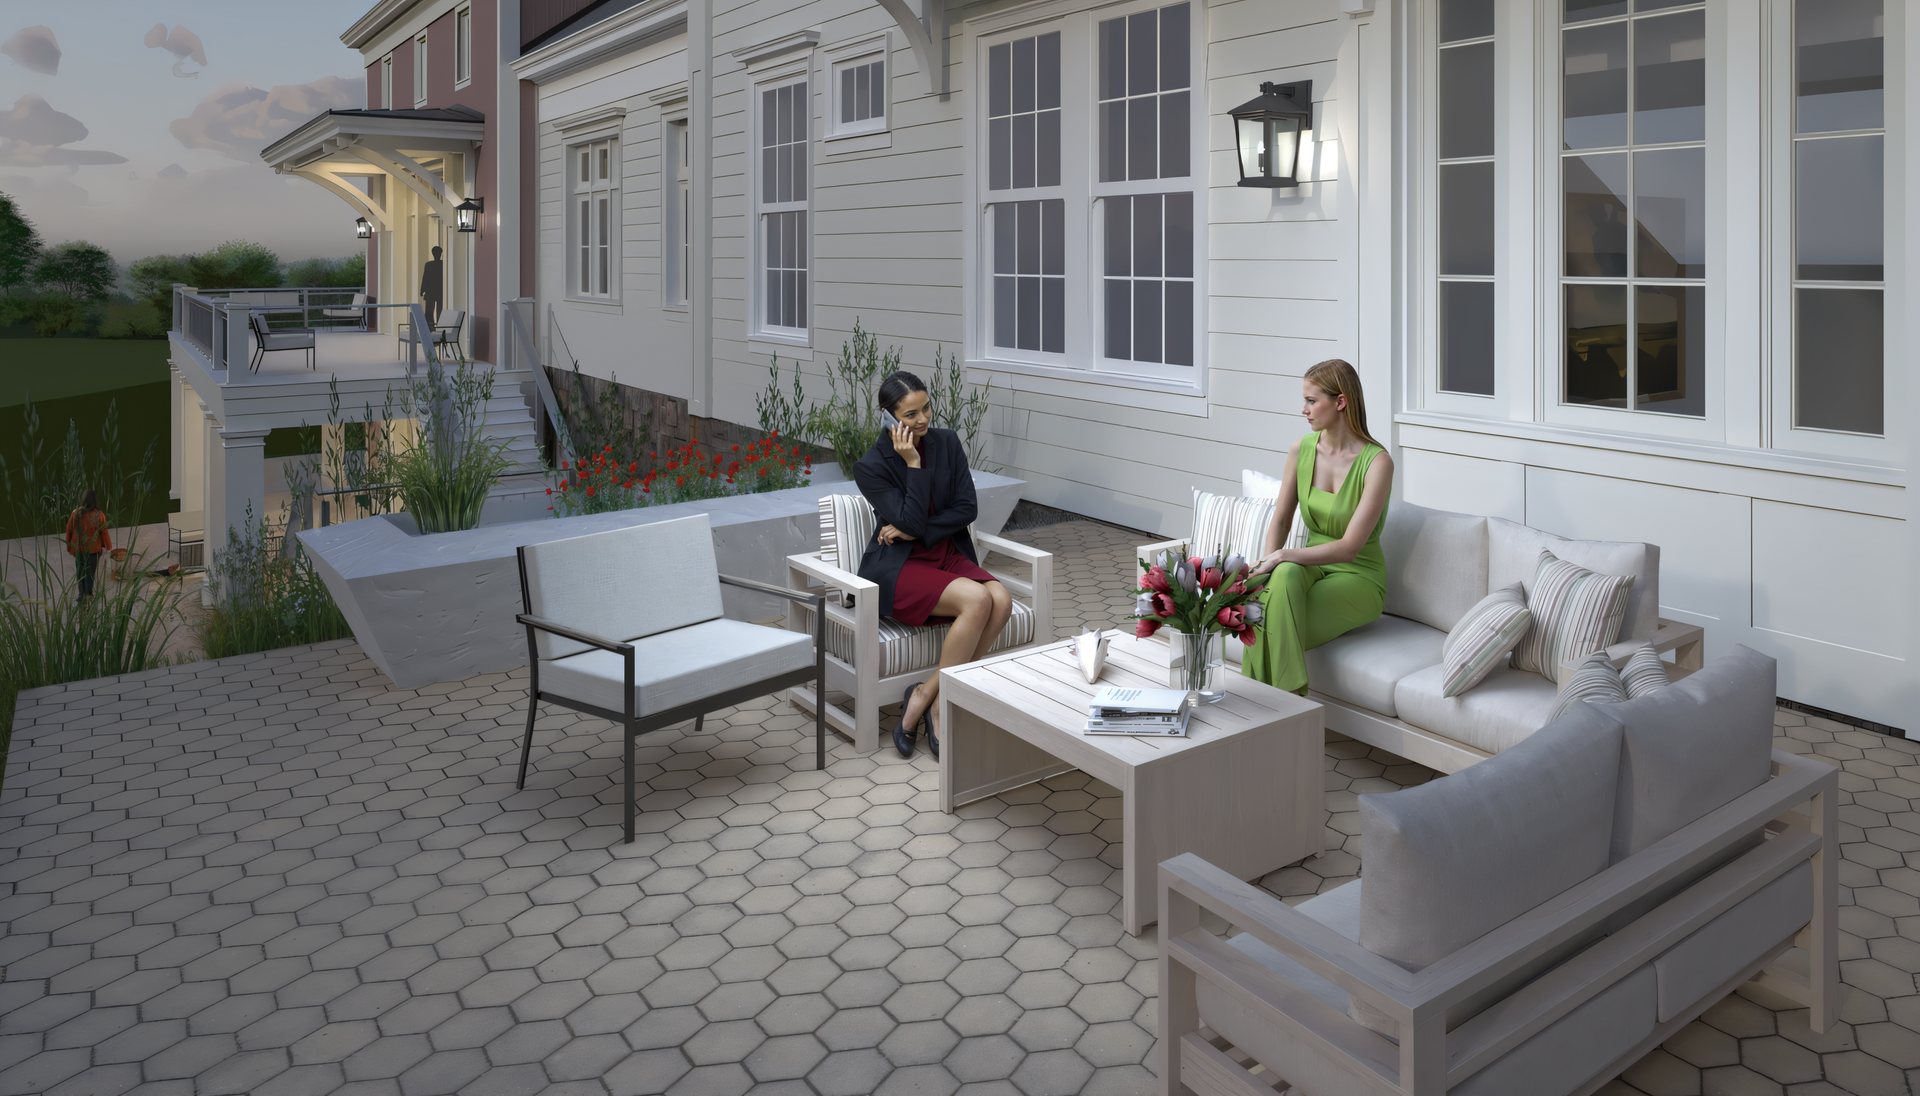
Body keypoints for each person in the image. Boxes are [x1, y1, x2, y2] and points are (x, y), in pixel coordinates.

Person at [854, 371, 1012, 759]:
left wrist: (914, 530)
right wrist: (912, 462)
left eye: (926, 408)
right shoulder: (871, 466)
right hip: (898, 566)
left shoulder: (947, 442)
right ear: (888, 417)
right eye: (910, 415)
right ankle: (938, 705)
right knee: (978, 599)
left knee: (1001, 600)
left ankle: (931, 696)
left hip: (944, 553)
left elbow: (966, 509)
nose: (923, 419)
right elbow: (909, 519)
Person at [1244, 359, 1394, 695]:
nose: (1304, 410)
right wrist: (1267, 569)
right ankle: (1287, 704)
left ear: (1340, 402)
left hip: (1358, 576)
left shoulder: (1377, 462)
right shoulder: (1301, 449)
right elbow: (1281, 520)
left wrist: (1281, 555)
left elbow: (1350, 547)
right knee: (1282, 576)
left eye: (1311, 401)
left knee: (1263, 619)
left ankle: (1266, 705)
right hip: (1312, 566)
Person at [64, 489, 112, 602]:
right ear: (95, 500)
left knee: (80, 572)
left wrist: (70, 545)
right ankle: (89, 595)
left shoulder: (76, 513)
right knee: (90, 574)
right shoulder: (99, 515)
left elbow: (69, 529)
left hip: (79, 549)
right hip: (94, 550)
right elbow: (104, 532)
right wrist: (106, 546)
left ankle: (81, 595)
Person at [420, 245, 444, 326]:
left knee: (430, 311)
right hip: (439, 290)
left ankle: (432, 326)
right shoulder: (442, 264)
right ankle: (435, 326)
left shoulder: (429, 264)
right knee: (435, 310)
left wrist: (422, 290)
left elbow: (425, 278)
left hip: (432, 290)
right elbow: (425, 277)